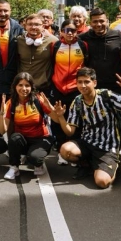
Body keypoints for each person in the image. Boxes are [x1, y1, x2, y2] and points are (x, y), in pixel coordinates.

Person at [57, 67, 121, 188]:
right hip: (87, 143)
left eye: (87, 81)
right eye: (80, 82)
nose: (83, 85)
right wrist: (60, 117)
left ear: (94, 83)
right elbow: (70, 132)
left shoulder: (107, 96)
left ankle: (113, 166)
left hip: (107, 147)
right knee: (66, 150)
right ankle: (88, 164)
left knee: (102, 182)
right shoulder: (77, 101)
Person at [0, 72, 67, 180]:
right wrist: (1, 113)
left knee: (35, 158)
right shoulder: (11, 103)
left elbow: (56, 120)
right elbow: (2, 131)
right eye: (20, 85)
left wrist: (50, 107)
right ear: (15, 86)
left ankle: (37, 163)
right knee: (14, 138)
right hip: (23, 140)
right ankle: (14, 167)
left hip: (40, 139)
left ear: (31, 87)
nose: (23, 88)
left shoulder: (39, 99)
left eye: (27, 85)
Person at [50, 21, 87, 156]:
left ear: (77, 32)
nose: (70, 33)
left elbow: (86, 65)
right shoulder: (56, 45)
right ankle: (60, 147)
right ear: (61, 32)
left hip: (75, 89)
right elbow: (51, 64)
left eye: (73, 30)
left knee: (75, 119)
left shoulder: (83, 45)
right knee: (58, 119)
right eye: (66, 30)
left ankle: (74, 147)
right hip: (58, 87)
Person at [79, 8, 121, 94]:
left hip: (115, 85)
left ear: (107, 21)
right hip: (93, 86)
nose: (98, 24)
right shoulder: (83, 38)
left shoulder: (118, 36)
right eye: (95, 21)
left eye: (101, 21)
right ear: (90, 23)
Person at [16, 13, 58, 92]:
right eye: (30, 24)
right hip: (23, 87)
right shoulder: (18, 41)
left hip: (44, 87)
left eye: (36, 24)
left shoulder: (53, 41)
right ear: (25, 26)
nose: (33, 27)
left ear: (43, 26)